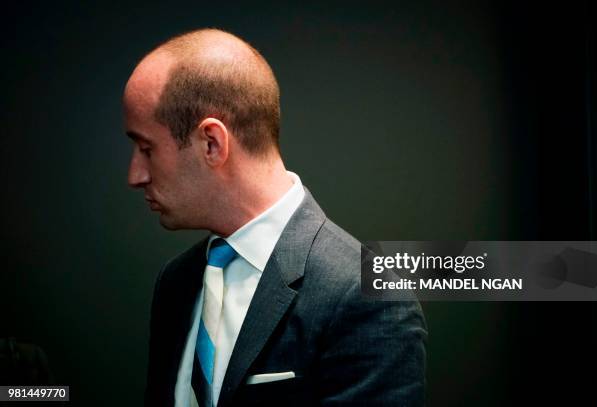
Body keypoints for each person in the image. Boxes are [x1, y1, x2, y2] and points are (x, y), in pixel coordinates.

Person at [123, 28, 427, 407]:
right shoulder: (177, 282)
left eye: (146, 148)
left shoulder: (366, 299)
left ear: (211, 143)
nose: (135, 175)